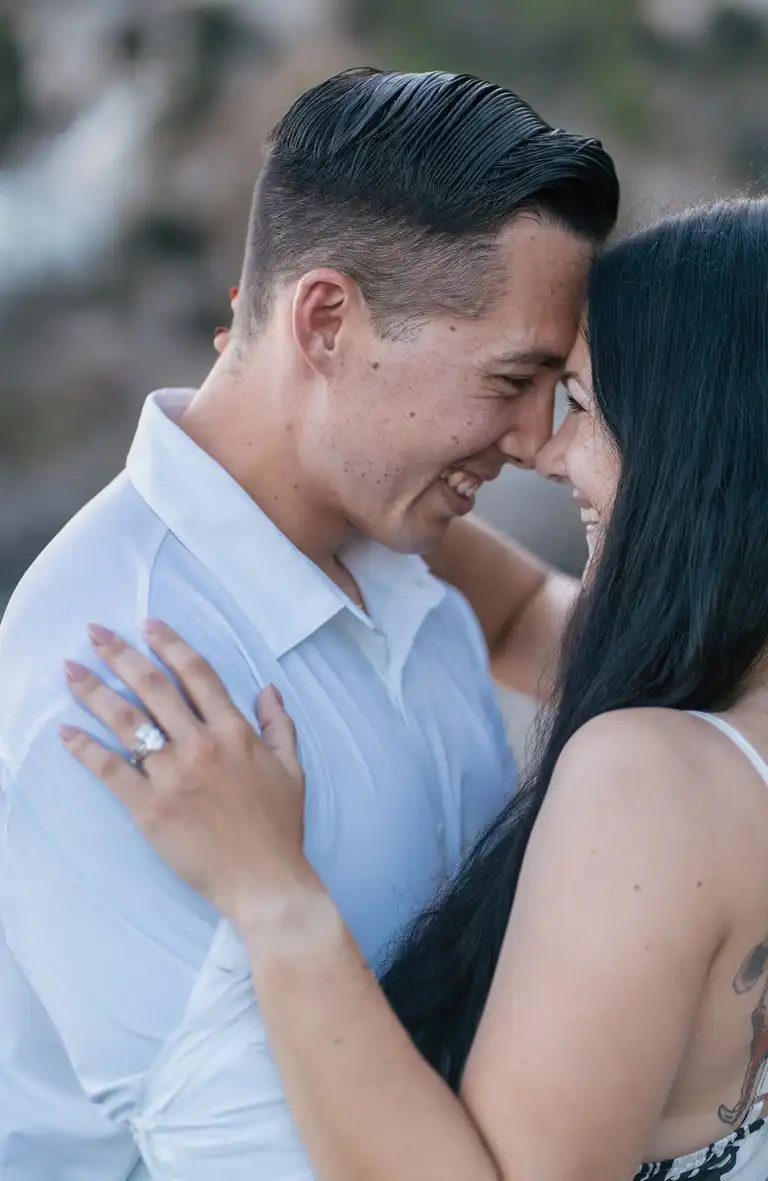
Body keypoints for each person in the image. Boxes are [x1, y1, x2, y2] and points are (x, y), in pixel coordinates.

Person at [67, 197, 768, 1181]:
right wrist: (301, 435)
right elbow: (530, 613)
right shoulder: (735, 721)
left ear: (697, 448)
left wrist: (273, 896)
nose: (546, 447)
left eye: (581, 403)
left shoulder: (658, 780)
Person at [0, 68, 618, 1178]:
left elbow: (535, 616)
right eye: (513, 378)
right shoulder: (119, 685)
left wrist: (719, 712)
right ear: (326, 319)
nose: (535, 439)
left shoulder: (387, 523)